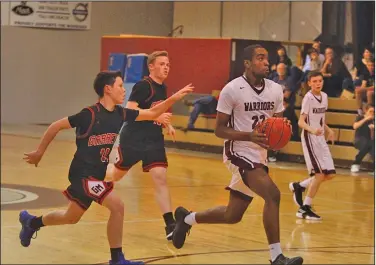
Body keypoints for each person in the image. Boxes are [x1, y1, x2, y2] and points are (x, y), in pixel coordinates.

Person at [20, 71, 192, 265]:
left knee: (70, 217)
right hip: (82, 176)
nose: (123, 90)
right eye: (120, 86)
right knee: (117, 207)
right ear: (107, 89)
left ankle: (31, 222)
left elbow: (152, 113)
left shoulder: (121, 113)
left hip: (97, 175)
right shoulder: (89, 114)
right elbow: (55, 126)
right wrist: (39, 152)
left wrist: (174, 98)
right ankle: (117, 259)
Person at [171, 44, 304, 265]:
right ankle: (276, 257)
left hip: (258, 155)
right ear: (247, 63)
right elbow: (219, 130)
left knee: (232, 215)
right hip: (237, 151)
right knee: (273, 195)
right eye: (260, 58)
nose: (266, 62)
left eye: (266, 58)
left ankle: (186, 219)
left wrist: (282, 130)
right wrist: (249, 136)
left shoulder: (275, 89)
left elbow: (277, 124)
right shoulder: (231, 89)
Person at [106, 51, 194, 241]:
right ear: (151, 66)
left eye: (168, 64)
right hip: (134, 139)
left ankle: (170, 225)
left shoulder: (163, 88)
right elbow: (130, 110)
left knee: (160, 176)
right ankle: (92, 173)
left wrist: (167, 123)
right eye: (162, 64)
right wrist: (156, 116)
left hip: (153, 139)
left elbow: (158, 111)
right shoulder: (143, 85)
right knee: (115, 175)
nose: (166, 67)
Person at [289, 71, 336, 221]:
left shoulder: (325, 97)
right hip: (310, 137)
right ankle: (304, 208)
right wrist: (313, 130)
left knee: (330, 174)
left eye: (320, 81)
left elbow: (320, 118)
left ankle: (299, 186)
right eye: (314, 81)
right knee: (319, 175)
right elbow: (301, 122)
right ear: (309, 83)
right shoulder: (308, 98)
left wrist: (329, 130)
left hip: (320, 138)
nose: (318, 83)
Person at [350, 104, 375, 173]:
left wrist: (372, 130)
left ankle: (356, 163)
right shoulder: (360, 117)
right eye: (370, 111)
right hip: (359, 140)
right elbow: (355, 126)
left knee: (372, 146)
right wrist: (365, 119)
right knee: (368, 144)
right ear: (366, 111)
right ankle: (356, 163)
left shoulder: (373, 121)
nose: (372, 113)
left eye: (374, 112)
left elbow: (372, 137)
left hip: (369, 141)